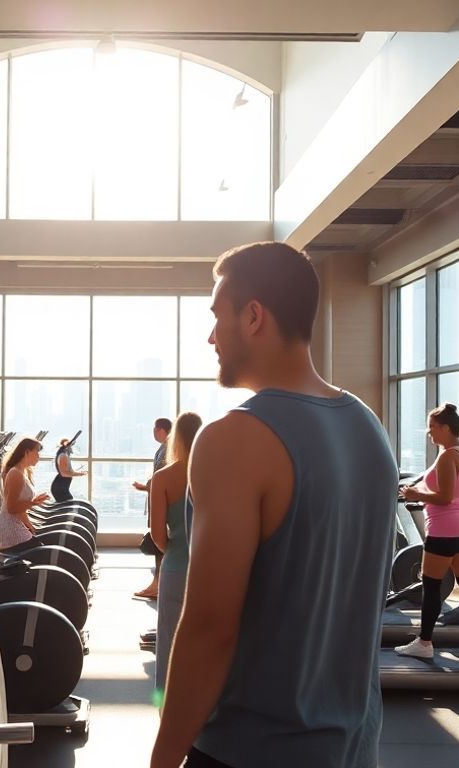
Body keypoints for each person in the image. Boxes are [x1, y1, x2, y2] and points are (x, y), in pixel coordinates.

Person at [150, 242, 396, 768]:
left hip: (250, 752)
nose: (211, 337)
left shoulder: (233, 438)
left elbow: (210, 629)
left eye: (217, 317)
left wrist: (163, 759)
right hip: (354, 749)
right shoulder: (369, 427)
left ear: (254, 316)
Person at [393, 403, 459, 659]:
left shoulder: (448, 456)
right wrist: (418, 490)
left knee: (430, 585)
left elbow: (445, 497)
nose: (429, 432)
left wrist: (416, 494)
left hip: (446, 528)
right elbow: (454, 493)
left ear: (446, 428)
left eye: (432, 427)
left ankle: (424, 643)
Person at [150, 411, 202, 702]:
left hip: (175, 568)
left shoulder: (162, 478)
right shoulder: (215, 474)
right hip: (208, 569)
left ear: (175, 440)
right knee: (208, 638)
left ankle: (167, 706)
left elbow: (157, 535)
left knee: (169, 639)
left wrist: (173, 547)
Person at [133, 418, 172, 600]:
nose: (154, 433)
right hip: (161, 500)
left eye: (155, 430)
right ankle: (159, 583)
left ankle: (158, 584)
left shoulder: (166, 449)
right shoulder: (166, 448)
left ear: (161, 430)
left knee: (159, 543)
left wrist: (147, 487)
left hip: (162, 504)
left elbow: (161, 477)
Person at [0, 437, 52, 553]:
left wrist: (29, 525)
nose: (39, 456)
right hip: (10, 531)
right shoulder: (15, 474)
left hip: (16, 526)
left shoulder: (22, 472)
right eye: (37, 452)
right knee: (44, 553)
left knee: (42, 546)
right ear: (27, 452)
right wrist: (33, 503)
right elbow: (12, 508)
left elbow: (20, 508)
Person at [49, 437, 86, 504]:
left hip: (63, 487)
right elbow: (64, 474)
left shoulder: (65, 455)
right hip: (59, 488)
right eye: (71, 446)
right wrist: (80, 474)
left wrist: (81, 473)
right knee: (68, 503)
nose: (72, 448)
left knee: (69, 503)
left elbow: (70, 472)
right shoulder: (63, 456)